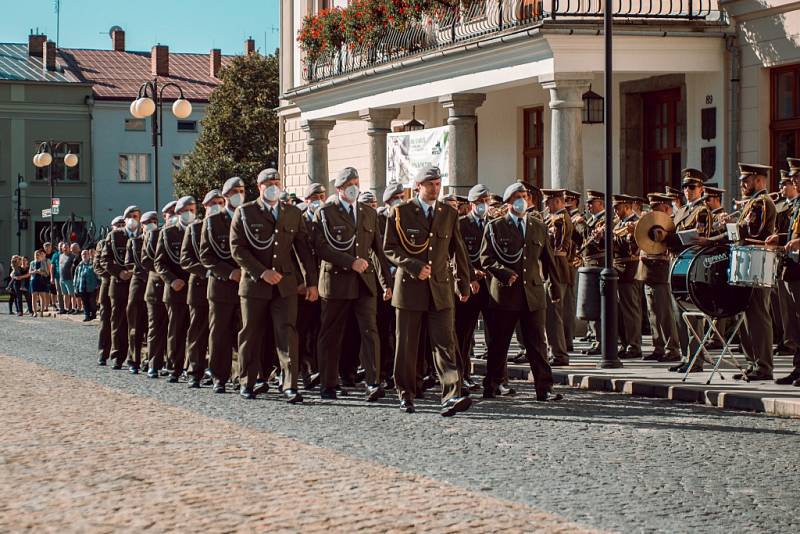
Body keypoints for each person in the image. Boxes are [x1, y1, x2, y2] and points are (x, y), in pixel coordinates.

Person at [383, 165, 473, 416]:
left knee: (445, 343)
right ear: (418, 185)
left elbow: (458, 250)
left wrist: (463, 282)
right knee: (407, 345)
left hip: (440, 288)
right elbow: (389, 248)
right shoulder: (400, 212)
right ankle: (406, 393)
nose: (435, 188)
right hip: (410, 288)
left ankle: (451, 395)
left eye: (438, 183)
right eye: (430, 184)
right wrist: (413, 266)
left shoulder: (448, 212)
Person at [229, 168, 319, 402]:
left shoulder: (291, 213)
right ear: (259, 186)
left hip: (285, 284)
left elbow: (303, 250)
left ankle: (289, 384)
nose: (273, 186)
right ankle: (247, 381)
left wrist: (311, 282)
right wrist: (261, 272)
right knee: (251, 332)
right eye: (269, 182)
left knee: (287, 332)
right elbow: (237, 248)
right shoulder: (246, 212)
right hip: (255, 284)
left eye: (277, 182)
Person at [311, 167, 391, 401]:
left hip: (364, 283)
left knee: (370, 331)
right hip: (336, 282)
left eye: (356, 182)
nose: (354, 188)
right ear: (339, 189)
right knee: (331, 334)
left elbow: (378, 250)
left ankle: (373, 382)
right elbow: (321, 246)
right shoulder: (326, 212)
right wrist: (350, 262)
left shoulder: (368, 213)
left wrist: (387, 282)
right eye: (349, 185)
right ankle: (328, 383)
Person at [479, 181, 564, 402]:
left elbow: (548, 259)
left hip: (533, 294)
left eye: (525, 196)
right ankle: (493, 384)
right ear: (508, 202)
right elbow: (486, 258)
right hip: (506, 295)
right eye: (517, 196)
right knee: (499, 344)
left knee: (537, 344)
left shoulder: (538, 225)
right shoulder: (496, 226)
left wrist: (555, 286)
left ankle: (544, 388)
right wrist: (503, 272)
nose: (522, 200)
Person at [728, 163, 777, 381]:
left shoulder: (761, 202)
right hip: (747, 262)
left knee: (758, 315)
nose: (742, 184)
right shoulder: (751, 203)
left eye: (745, 180)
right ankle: (752, 363)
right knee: (747, 315)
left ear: (758, 180)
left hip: (757, 262)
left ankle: (764, 365)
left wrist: (731, 228)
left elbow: (754, 231)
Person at [200, 178, 245, 393]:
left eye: (242, 190)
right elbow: (206, 256)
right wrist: (229, 273)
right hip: (221, 286)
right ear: (226, 195)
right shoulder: (213, 221)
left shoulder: (249, 216)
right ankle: (219, 376)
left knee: (244, 332)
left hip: (246, 285)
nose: (239, 194)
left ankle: (241, 375)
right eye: (235, 191)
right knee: (219, 333)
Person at [182, 190, 224, 388]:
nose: (217, 205)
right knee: (198, 332)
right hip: (200, 285)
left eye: (220, 202)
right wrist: (206, 272)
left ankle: (223, 372)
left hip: (224, 286)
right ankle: (194, 371)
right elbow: (186, 259)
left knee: (222, 332)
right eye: (212, 203)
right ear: (204, 206)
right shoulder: (195, 228)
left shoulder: (229, 224)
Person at [454, 183, 492, 393]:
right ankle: (462, 375)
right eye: (479, 202)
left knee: (494, 333)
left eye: (485, 201)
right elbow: (458, 256)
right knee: (464, 333)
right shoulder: (461, 224)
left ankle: (496, 380)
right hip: (471, 285)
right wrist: (469, 276)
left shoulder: (493, 223)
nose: (483, 205)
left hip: (490, 285)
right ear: (470, 204)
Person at [637, 193, 682, 362]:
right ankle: (658, 347)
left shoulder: (669, 224)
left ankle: (672, 348)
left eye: (656, 208)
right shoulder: (652, 221)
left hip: (662, 270)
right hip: (648, 270)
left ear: (665, 207)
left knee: (665, 313)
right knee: (653, 313)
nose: (653, 212)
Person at [769, 158, 800, 386]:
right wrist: (779, 238)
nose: (795, 182)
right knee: (793, 323)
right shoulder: (797, 205)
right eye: (794, 179)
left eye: (798, 178)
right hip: (792, 268)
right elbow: (792, 235)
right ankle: (798, 368)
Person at [156, 197, 193, 383]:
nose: (190, 213)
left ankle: (193, 367)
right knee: (177, 330)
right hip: (176, 289)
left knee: (196, 331)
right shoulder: (168, 233)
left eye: (192, 209)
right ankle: (175, 367)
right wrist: (171, 280)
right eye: (186, 209)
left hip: (196, 288)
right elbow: (159, 262)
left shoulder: (200, 229)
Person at [101, 206, 141, 369]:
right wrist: (119, 273)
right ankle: (117, 356)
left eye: (137, 216)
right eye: (131, 216)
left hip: (137, 285)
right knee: (118, 322)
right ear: (125, 219)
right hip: (118, 285)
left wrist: (133, 272)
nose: (134, 219)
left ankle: (134, 359)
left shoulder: (142, 235)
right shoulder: (115, 235)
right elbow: (105, 259)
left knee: (136, 323)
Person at [542, 189, 573, 366]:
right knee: (551, 315)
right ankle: (554, 351)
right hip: (553, 269)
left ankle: (559, 353)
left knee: (554, 316)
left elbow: (556, 246)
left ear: (558, 202)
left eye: (549, 202)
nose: (546, 206)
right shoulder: (555, 219)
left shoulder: (560, 219)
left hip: (556, 270)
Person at [143, 202, 174, 378]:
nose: (174, 215)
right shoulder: (155, 234)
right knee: (155, 328)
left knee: (175, 329)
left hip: (176, 289)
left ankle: (173, 364)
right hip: (157, 287)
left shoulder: (182, 232)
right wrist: (167, 276)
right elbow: (147, 260)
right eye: (170, 213)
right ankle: (154, 364)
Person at [612, 195, 642, 360]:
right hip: (618, 270)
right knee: (621, 312)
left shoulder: (637, 223)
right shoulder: (618, 223)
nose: (615, 211)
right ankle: (624, 343)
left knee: (631, 310)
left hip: (630, 269)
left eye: (617, 207)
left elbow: (633, 248)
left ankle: (634, 345)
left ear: (627, 206)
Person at [125, 211, 155, 374]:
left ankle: (151, 359)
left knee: (153, 327)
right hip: (138, 286)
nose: (151, 224)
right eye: (147, 222)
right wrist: (146, 274)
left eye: (153, 221)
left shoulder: (159, 240)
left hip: (154, 288)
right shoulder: (134, 242)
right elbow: (129, 263)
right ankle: (134, 360)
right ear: (141, 226)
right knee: (135, 326)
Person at [578, 190, 607, 355]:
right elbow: (582, 242)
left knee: (597, 306)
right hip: (589, 264)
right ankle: (596, 339)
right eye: (588, 203)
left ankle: (601, 341)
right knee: (590, 306)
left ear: (600, 203)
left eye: (591, 202)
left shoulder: (604, 220)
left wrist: (582, 225)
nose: (588, 206)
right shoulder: (592, 219)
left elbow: (595, 241)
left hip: (598, 265)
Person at [74, 249, 99, 321]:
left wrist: (98, 283)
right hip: (82, 287)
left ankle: (93, 314)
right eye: (83, 254)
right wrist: (76, 286)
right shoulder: (79, 265)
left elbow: (98, 275)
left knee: (92, 302)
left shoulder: (93, 264)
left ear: (89, 255)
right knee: (85, 303)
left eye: (86, 254)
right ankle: (87, 316)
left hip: (92, 286)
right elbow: (76, 277)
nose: (84, 255)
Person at [29, 249, 50, 317]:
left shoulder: (43, 262)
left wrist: (40, 272)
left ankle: (41, 312)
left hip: (41, 280)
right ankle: (35, 312)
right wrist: (35, 271)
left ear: (40, 255)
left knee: (42, 296)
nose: (37, 256)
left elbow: (47, 273)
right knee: (34, 296)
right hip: (34, 280)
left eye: (38, 254)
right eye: (35, 255)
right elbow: (29, 272)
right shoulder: (32, 263)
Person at [59, 243, 78, 313]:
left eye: (66, 247)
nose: (65, 248)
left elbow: (75, 266)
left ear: (69, 248)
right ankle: (66, 308)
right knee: (65, 294)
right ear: (62, 248)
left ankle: (73, 308)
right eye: (64, 247)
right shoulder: (60, 256)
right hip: (61, 278)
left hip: (69, 278)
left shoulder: (73, 256)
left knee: (72, 294)